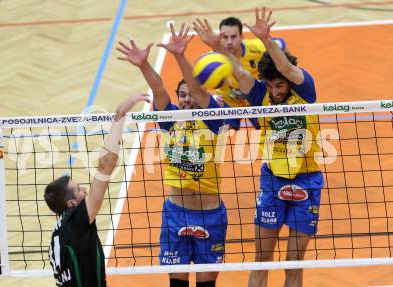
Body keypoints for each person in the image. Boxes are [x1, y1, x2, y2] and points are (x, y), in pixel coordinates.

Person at [117, 26, 227, 287]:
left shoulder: (214, 121)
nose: (187, 99)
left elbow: (200, 91)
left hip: (209, 215)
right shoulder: (169, 121)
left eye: (191, 94)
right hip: (176, 213)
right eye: (182, 95)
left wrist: (180, 56)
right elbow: (160, 91)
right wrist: (143, 66)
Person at [222, 8, 324, 287]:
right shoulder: (260, 94)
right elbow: (239, 71)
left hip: (307, 181)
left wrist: (267, 40)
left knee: (293, 266)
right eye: (271, 85)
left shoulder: (305, 91)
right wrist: (215, 47)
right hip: (273, 180)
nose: (275, 91)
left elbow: (289, 69)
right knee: (261, 262)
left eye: (279, 85)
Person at [44, 93, 150, 287]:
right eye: (78, 189)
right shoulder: (76, 220)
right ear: (72, 204)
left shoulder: (56, 234)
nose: (85, 190)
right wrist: (120, 114)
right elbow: (105, 165)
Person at [193, 16, 285, 129]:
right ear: (219, 38)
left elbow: (280, 45)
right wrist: (214, 97)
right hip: (229, 103)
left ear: (241, 36)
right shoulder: (212, 60)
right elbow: (199, 83)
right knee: (219, 132)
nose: (229, 42)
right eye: (225, 37)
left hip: (255, 101)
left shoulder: (256, 48)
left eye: (233, 37)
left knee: (270, 129)